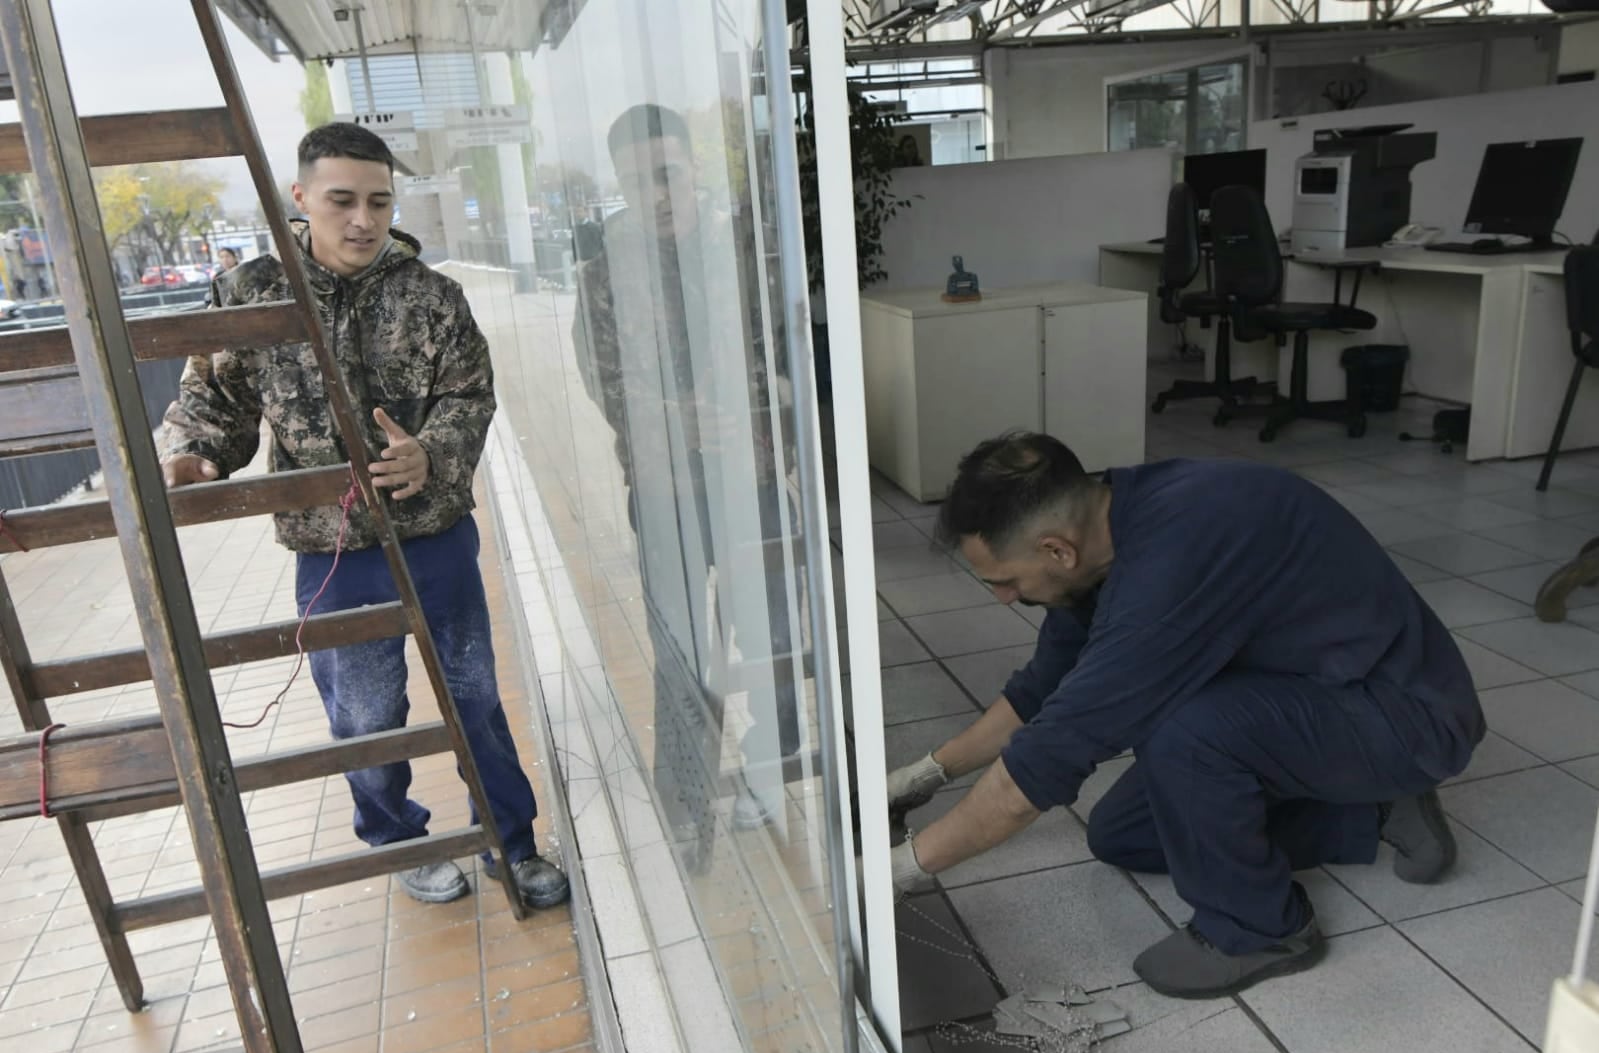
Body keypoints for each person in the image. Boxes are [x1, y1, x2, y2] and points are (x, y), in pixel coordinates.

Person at [886, 432, 1483, 999]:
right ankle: (1372, 809)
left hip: (1405, 717)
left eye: (1006, 581)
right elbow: (1042, 691)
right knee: (1123, 835)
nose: (1004, 597)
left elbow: (1050, 755)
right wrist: (922, 778)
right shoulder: (1107, 529)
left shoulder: (1175, 558)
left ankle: (1261, 929)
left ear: (1055, 550)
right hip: (1312, 697)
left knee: (1184, 730)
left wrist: (901, 871)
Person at [159, 122, 568, 910]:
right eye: (341, 200)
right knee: (366, 712)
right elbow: (213, 400)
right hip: (332, 548)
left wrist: (432, 455)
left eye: (379, 202)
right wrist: (199, 456)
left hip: (435, 538)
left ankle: (508, 843)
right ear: (300, 197)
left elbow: (467, 395)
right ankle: (397, 839)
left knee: (474, 698)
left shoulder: (431, 296)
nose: (362, 220)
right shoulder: (249, 295)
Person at [572, 104, 800, 856]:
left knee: (766, 631)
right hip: (665, 488)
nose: (657, 193)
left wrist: (751, 417)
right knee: (677, 647)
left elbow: (793, 355)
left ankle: (773, 771)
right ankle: (686, 800)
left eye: (668, 173)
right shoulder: (604, 271)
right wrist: (677, 420)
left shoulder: (749, 252)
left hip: (753, 477)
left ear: (695, 168)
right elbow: (601, 378)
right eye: (639, 182)